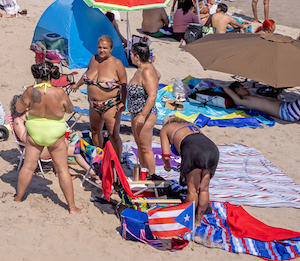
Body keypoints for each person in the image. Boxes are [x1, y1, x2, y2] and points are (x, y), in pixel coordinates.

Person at [13, 61, 82, 214]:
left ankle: (18, 197)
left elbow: (18, 109)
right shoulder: (59, 93)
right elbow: (70, 110)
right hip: (55, 133)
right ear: (52, 75)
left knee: (28, 167)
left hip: (35, 131)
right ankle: (72, 207)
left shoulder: (30, 91)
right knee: (63, 169)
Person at [73, 36, 127, 160]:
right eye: (100, 47)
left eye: (105, 48)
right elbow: (86, 73)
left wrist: (123, 103)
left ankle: (117, 162)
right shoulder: (93, 59)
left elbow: (124, 85)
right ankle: (99, 159)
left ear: (111, 49)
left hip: (111, 105)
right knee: (95, 132)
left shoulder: (117, 64)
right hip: (93, 105)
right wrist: (77, 84)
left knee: (113, 134)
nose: (102, 50)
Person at [160, 116, 219, 220]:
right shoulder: (193, 126)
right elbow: (196, 143)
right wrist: (184, 162)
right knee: (204, 189)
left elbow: (165, 155)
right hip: (212, 149)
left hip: (192, 150)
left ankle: (189, 220)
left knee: (192, 190)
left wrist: (168, 166)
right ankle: (198, 220)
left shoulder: (166, 128)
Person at [127, 42, 160, 180]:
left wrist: (143, 114)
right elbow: (159, 75)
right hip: (137, 112)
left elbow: (152, 95)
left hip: (145, 114)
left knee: (146, 148)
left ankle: (152, 176)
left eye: (131, 54)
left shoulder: (146, 71)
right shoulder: (143, 68)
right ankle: (143, 174)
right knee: (139, 145)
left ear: (137, 56)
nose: (130, 56)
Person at [222, 81, 300, 122]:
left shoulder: (250, 97)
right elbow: (226, 88)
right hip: (287, 111)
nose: (245, 88)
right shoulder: (242, 101)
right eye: (242, 88)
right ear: (238, 93)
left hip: (288, 107)